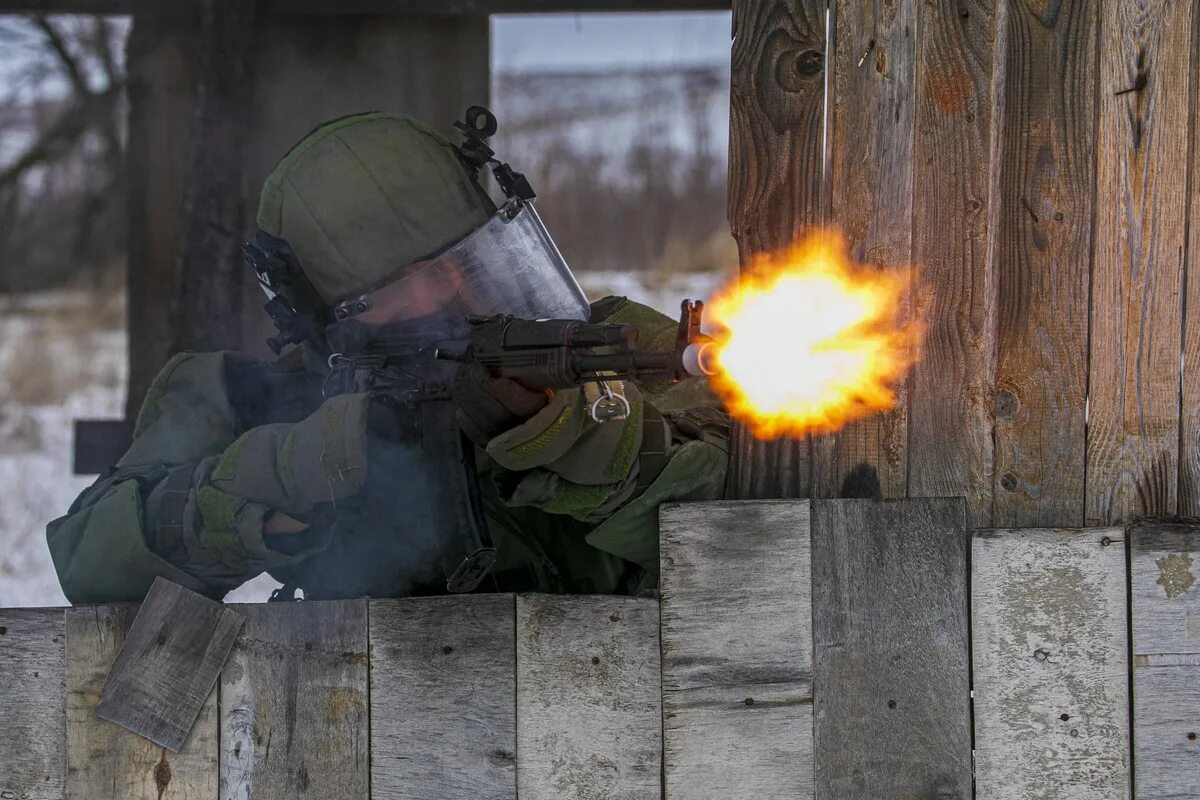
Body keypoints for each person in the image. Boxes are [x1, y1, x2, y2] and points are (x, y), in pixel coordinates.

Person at [46, 110, 729, 604]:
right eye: (406, 284)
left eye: (468, 257)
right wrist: (299, 468)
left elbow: (747, 511)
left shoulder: (601, 345)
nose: (453, 290)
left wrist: (581, 435)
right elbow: (91, 563)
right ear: (323, 318)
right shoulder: (239, 395)